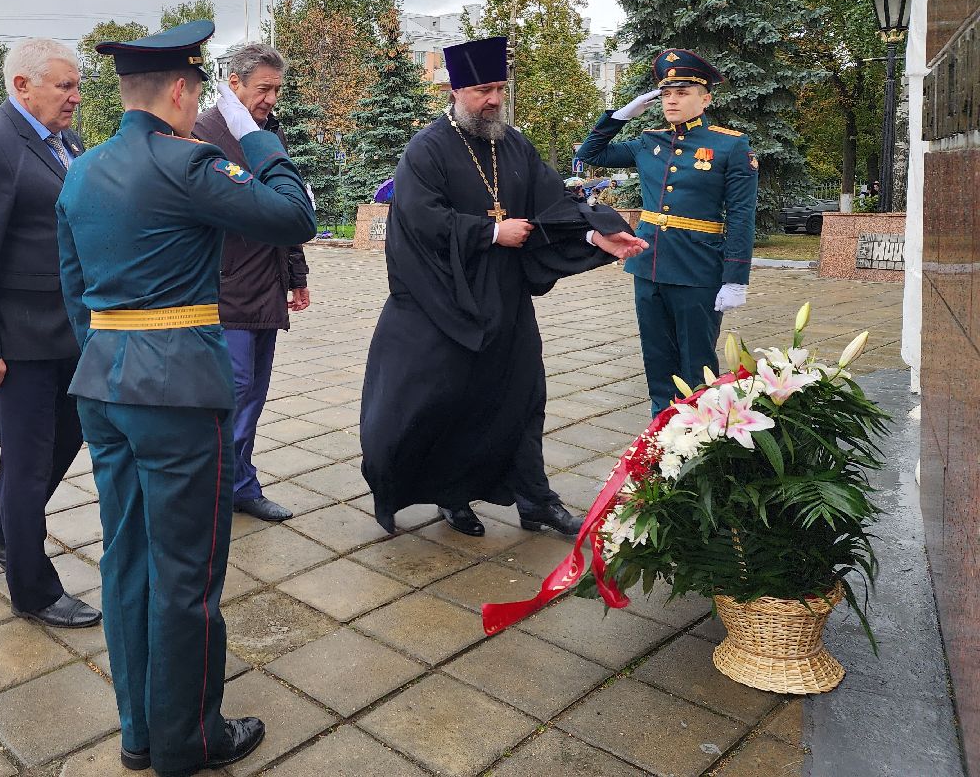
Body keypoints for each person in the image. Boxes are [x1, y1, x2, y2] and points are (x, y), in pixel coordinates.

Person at [57, 20, 316, 777]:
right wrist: (255, 135)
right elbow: (293, 214)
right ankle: (189, 740)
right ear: (181, 91)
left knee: (125, 559)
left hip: (103, 383)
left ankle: (139, 730)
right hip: (174, 390)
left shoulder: (82, 170)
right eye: (203, 93)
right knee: (187, 574)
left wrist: (109, 359)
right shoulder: (189, 162)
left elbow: (76, 292)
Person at [359, 37, 648, 539]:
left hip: (507, 301)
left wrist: (595, 232)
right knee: (446, 405)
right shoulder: (426, 150)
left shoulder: (512, 144)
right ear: (454, 90)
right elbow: (421, 221)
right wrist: (493, 231)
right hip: (444, 303)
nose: (493, 99)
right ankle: (452, 496)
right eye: (482, 90)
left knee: (522, 397)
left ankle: (535, 500)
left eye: (499, 88)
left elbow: (553, 203)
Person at [0, 37, 97, 632]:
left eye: (77, 84)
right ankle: (32, 589)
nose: (76, 97)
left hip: (66, 332)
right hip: (16, 342)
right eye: (65, 85)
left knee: (69, 437)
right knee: (29, 467)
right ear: (22, 86)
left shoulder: (65, 144)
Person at [576, 48, 758, 416]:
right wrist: (621, 115)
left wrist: (735, 277)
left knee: (696, 361)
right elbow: (590, 153)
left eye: (683, 93)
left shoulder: (729, 145)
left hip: (698, 268)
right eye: (666, 94)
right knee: (657, 357)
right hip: (648, 264)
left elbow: (741, 215)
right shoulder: (648, 142)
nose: (672, 101)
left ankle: (702, 431)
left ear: (705, 99)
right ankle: (662, 430)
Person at [193, 41, 311, 523]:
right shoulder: (203, 134)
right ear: (233, 82)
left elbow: (289, 207)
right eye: (263, 88)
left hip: (265, 287)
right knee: (232, 395)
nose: (271, 99)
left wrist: (296, 275)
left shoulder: (266, 131)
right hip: (224, 291)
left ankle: (240, 484)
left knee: (253, 396)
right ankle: (217, 489)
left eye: (277, 89)